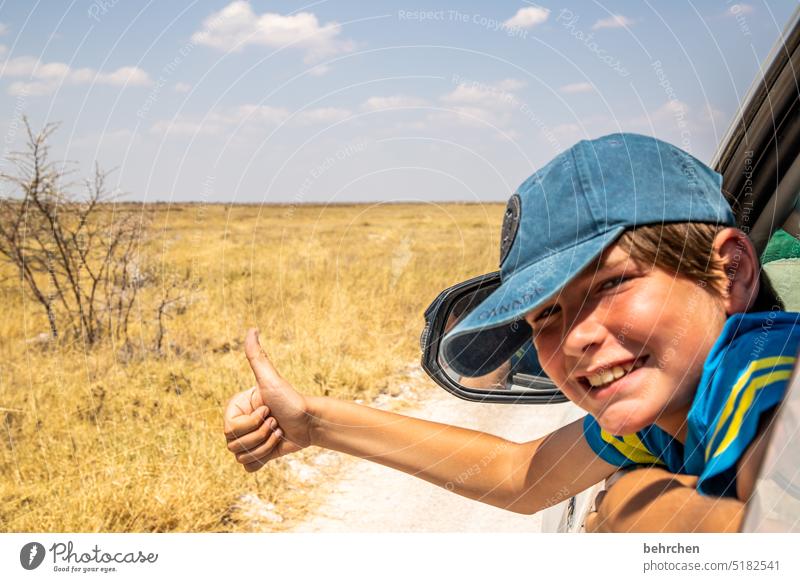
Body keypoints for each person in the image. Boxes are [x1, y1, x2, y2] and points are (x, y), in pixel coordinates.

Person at [223, 133, 799, 532]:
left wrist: (633, 504)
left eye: (610, 284)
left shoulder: (766, 376)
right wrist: (316, 422)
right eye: (545, 315)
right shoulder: (670, 421)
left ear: (732, 272)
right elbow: (520, 474)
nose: (573, 338)